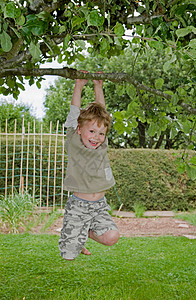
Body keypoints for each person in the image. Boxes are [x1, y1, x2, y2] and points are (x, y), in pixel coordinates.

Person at [59, 71, 119, 260]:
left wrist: (98, 86)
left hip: (99, 206)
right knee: (69, 255)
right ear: (79, 129)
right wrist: (79, 85)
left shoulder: (102, 145)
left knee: (112, 237)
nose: (96, 137)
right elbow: (74, 112)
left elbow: (102, 114)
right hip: (78, 207)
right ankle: (74, 234)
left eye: (101, 134)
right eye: (91, 131)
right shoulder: (74, 143)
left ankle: (82, 233)